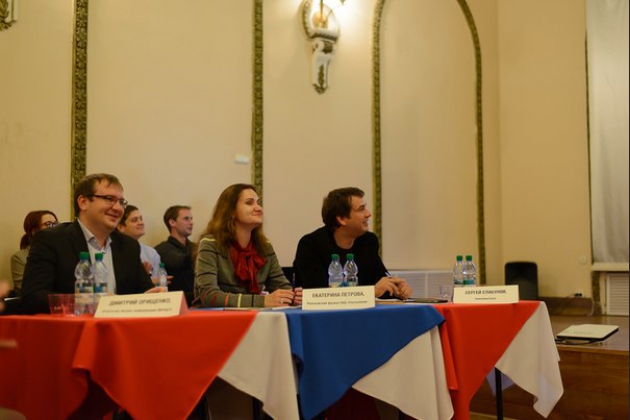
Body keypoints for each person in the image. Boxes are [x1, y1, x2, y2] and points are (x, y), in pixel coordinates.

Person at [19, 173, 162, 314]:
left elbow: (143, 292)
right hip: (72, 327)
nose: (118, 208)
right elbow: (33, 298)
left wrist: (150, 299)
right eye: (109, 199)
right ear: (83, 202)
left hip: (120, 327)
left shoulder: (128, 246)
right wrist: (91, 302)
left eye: (121, 202)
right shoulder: (52, 240)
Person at [293, 187, 413, 299]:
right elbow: (318, 295)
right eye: (361, 209)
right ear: (341, 219)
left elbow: (380, 281)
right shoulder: (311, 245)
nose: (368, 214)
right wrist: (371, 292)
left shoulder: (368, 241)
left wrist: (397, 289)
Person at [193, 183, 300, 308]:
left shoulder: (265, 246)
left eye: (258, 203)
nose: (258, 208)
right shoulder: (210, 244)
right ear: (231, 211)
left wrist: (292, 296)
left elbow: (281, 286)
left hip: (252, 316)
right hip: (212, 317)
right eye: (249, 203)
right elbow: (210, 296)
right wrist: (262, 301)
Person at [10, 210, 59, 295]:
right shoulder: (19, 258)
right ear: (34, 231)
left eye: (55, 224)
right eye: (48, 224)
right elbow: (26, 288)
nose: (54, 228)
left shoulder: (59, 253)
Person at [155, 205, 196, 305]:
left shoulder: (195, 247)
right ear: (172, 222)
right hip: (176, 304)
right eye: (186, 219)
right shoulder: (162, 249)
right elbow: (181, 262)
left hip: (200, 301)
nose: (191, 222)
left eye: (191, 218)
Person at [117, 204, 162, 278]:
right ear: (121, 227)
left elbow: (159, 279)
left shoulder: (151, 253)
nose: (141, 223)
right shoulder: (113, 251)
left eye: (141, 219)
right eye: (134, 220)